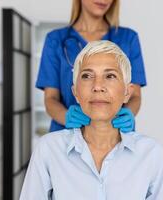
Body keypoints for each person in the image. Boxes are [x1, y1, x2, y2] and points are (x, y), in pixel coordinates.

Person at [20, 41, 163, 200]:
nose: (98, 86)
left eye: (110, 75)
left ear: (127, 92)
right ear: (75, 92)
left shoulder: (151, 153)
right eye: (87, 76)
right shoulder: (48, 150)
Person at [36, 0, 147, 132]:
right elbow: (50, 98)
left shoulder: (127, 38)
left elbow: (135, 95)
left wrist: (128, 114)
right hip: (67, 135)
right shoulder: (56, 39)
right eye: (86, 75)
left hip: (114, 133)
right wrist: (66, 117)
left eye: (110, 75)